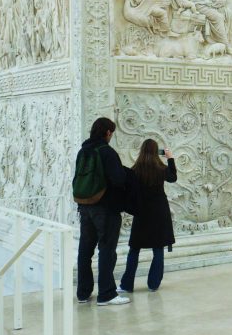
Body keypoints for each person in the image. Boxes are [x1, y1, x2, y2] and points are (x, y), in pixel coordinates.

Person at [75, 117, 130, 306]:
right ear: (107, 133)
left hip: (85, 206)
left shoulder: (83, 151)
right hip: (105, 208)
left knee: (85, 250)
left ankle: (83, 293)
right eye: (111, 133)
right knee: (107, 250)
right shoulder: (107, 152)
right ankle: (106, 294)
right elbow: (119, 179)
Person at [119, 138, 177, 293]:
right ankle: (153, 284)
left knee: (134, 249)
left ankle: (126, 285)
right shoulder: (161, 168)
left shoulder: (135, 169)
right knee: (158, 249)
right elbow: (173, 177)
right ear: (155, 151)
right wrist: (170, 158)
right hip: (159, 212)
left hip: (142, 212)